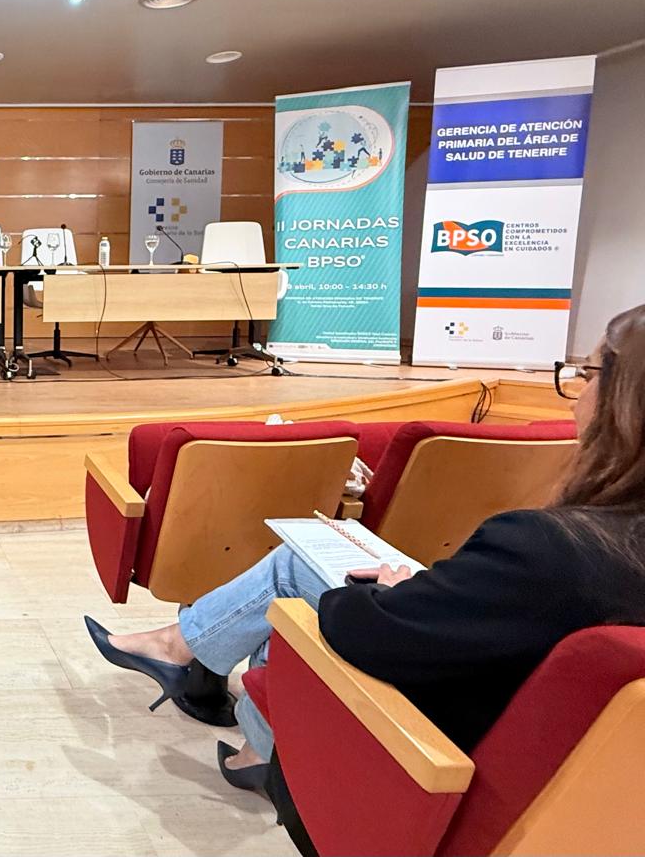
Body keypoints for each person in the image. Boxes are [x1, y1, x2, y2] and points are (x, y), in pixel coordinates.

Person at [84, 301, 645, 797]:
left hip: (433, 752)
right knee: (306, 578)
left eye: (587, 373)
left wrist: (388, 593)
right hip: (561, 766)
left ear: (623, 403)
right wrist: (427, 593)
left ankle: (208, 682)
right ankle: (226, 709)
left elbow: (362, 632)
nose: (576, 390)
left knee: (299, 581)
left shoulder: (547, 548)